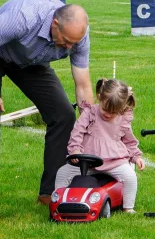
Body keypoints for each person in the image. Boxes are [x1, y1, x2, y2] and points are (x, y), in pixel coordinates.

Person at [0, 0, 93, 224]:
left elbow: (82, 84)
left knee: (63, 115)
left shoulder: (78, 36)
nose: (70, 47)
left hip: (29, 61)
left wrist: (91, 120)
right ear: (55, 24)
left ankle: (49, 193)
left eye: (74, 43)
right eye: (66, 41)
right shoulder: (24, 17)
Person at [55, 78, 145, 213]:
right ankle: (58, 202)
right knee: (62, 173)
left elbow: (129, 141)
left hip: (114, 161)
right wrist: (75, 150)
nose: (108, 114)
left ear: (121, 109)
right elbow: (77, 132)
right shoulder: (90, 113)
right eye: (105, 109)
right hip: (87, 161)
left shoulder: (123, 119)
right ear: (99, 98)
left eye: (113, 112)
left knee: (130, 177)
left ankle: (128, 207)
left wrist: (136, 156)